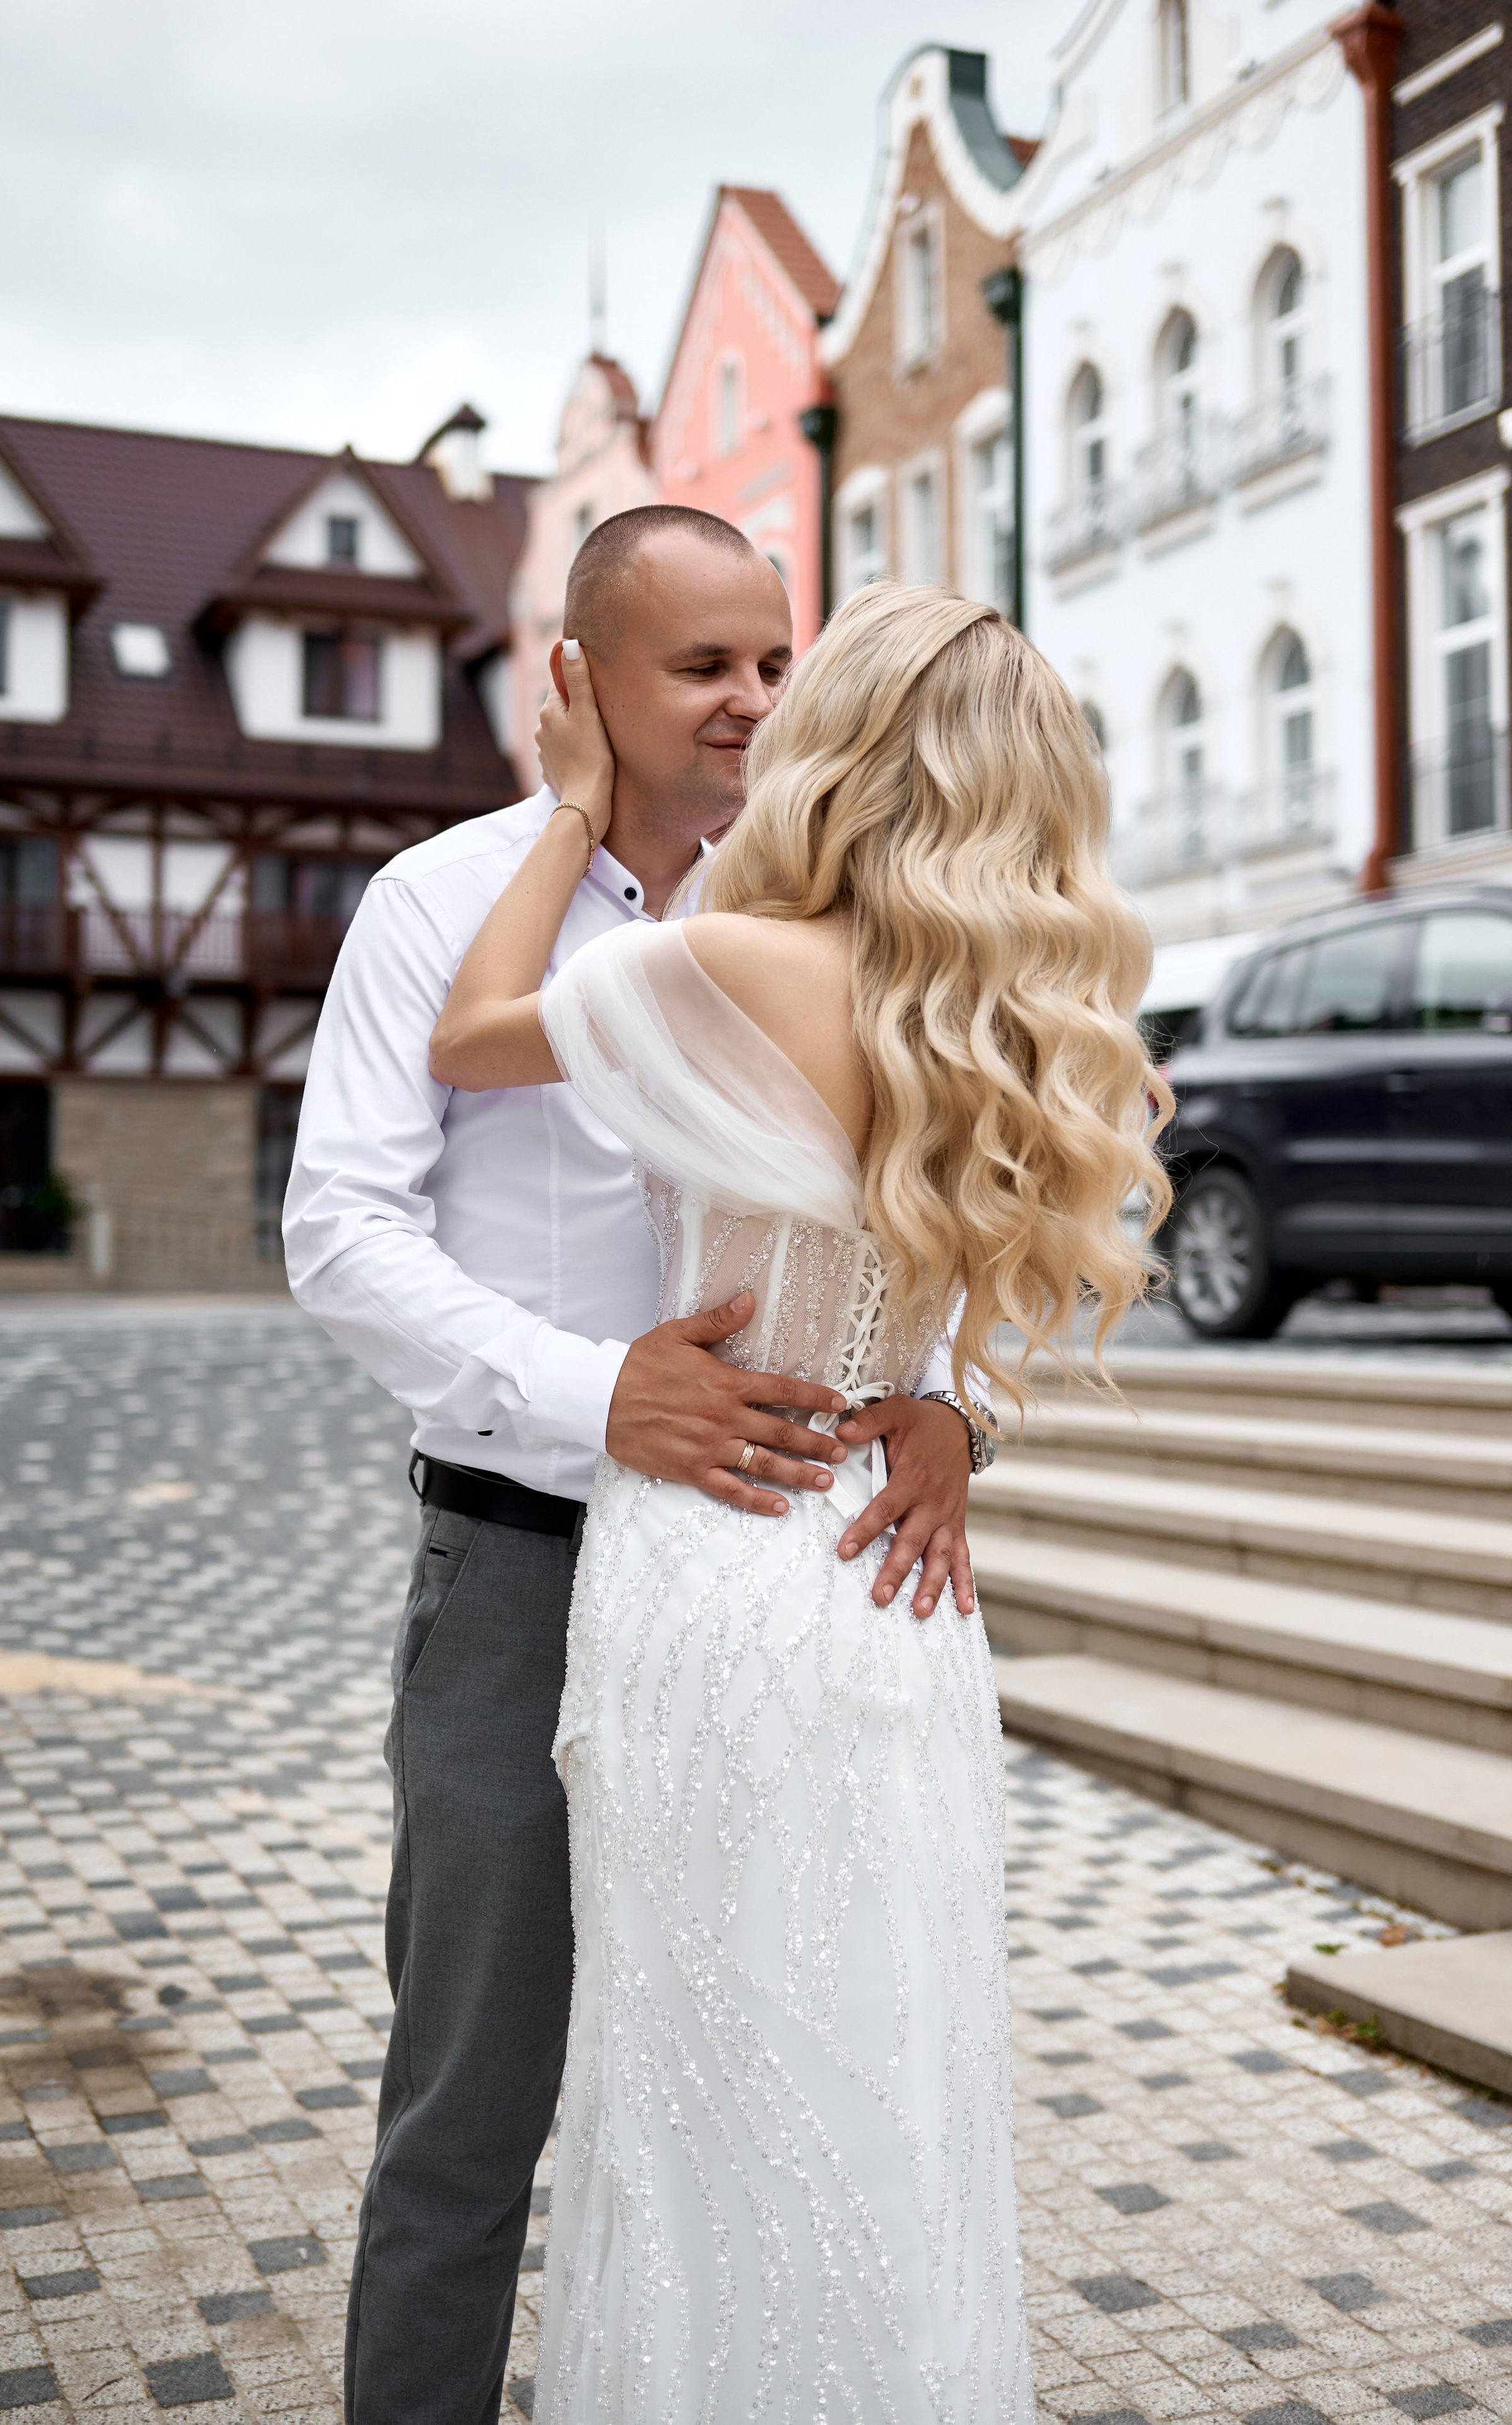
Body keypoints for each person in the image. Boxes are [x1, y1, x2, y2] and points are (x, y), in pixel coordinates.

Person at [429, 579, 1171, 2417]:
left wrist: (575, 809)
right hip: (894, 1595)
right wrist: (950, 1428)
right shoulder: (1022, 1011)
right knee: (885, 2078)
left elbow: (473, 1034)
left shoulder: (737, 962)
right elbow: (970, 1326)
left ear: (845, 741)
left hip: (720, 1557)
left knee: (691, 2090)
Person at [283, 505, 985, 2425]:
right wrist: (601, 1394)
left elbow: (975, 1177)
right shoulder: (441, 903)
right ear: (578, 679)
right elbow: (341, 1233)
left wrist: (959, 1398)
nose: (755, 698)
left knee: (774, 2096)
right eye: (704, 665)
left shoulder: (849, 912)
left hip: (772, 1595)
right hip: (523, 1571)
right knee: (467, 2118)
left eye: (776, 657)